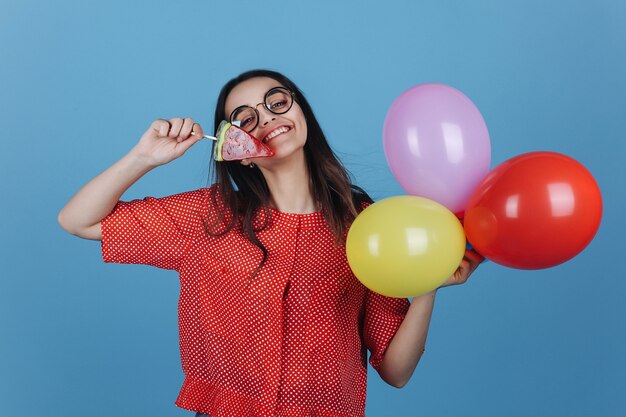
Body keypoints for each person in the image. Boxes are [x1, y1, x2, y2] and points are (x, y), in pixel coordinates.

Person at [58, 69, 482, 417]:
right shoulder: (209, 216)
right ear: (237, 151)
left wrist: (428, 285)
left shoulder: (366, 225)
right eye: (244, 118)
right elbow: (78, 220)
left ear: (301, 112)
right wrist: (144, 158)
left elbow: (396, 370)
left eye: (277, 101)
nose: (265, 119)